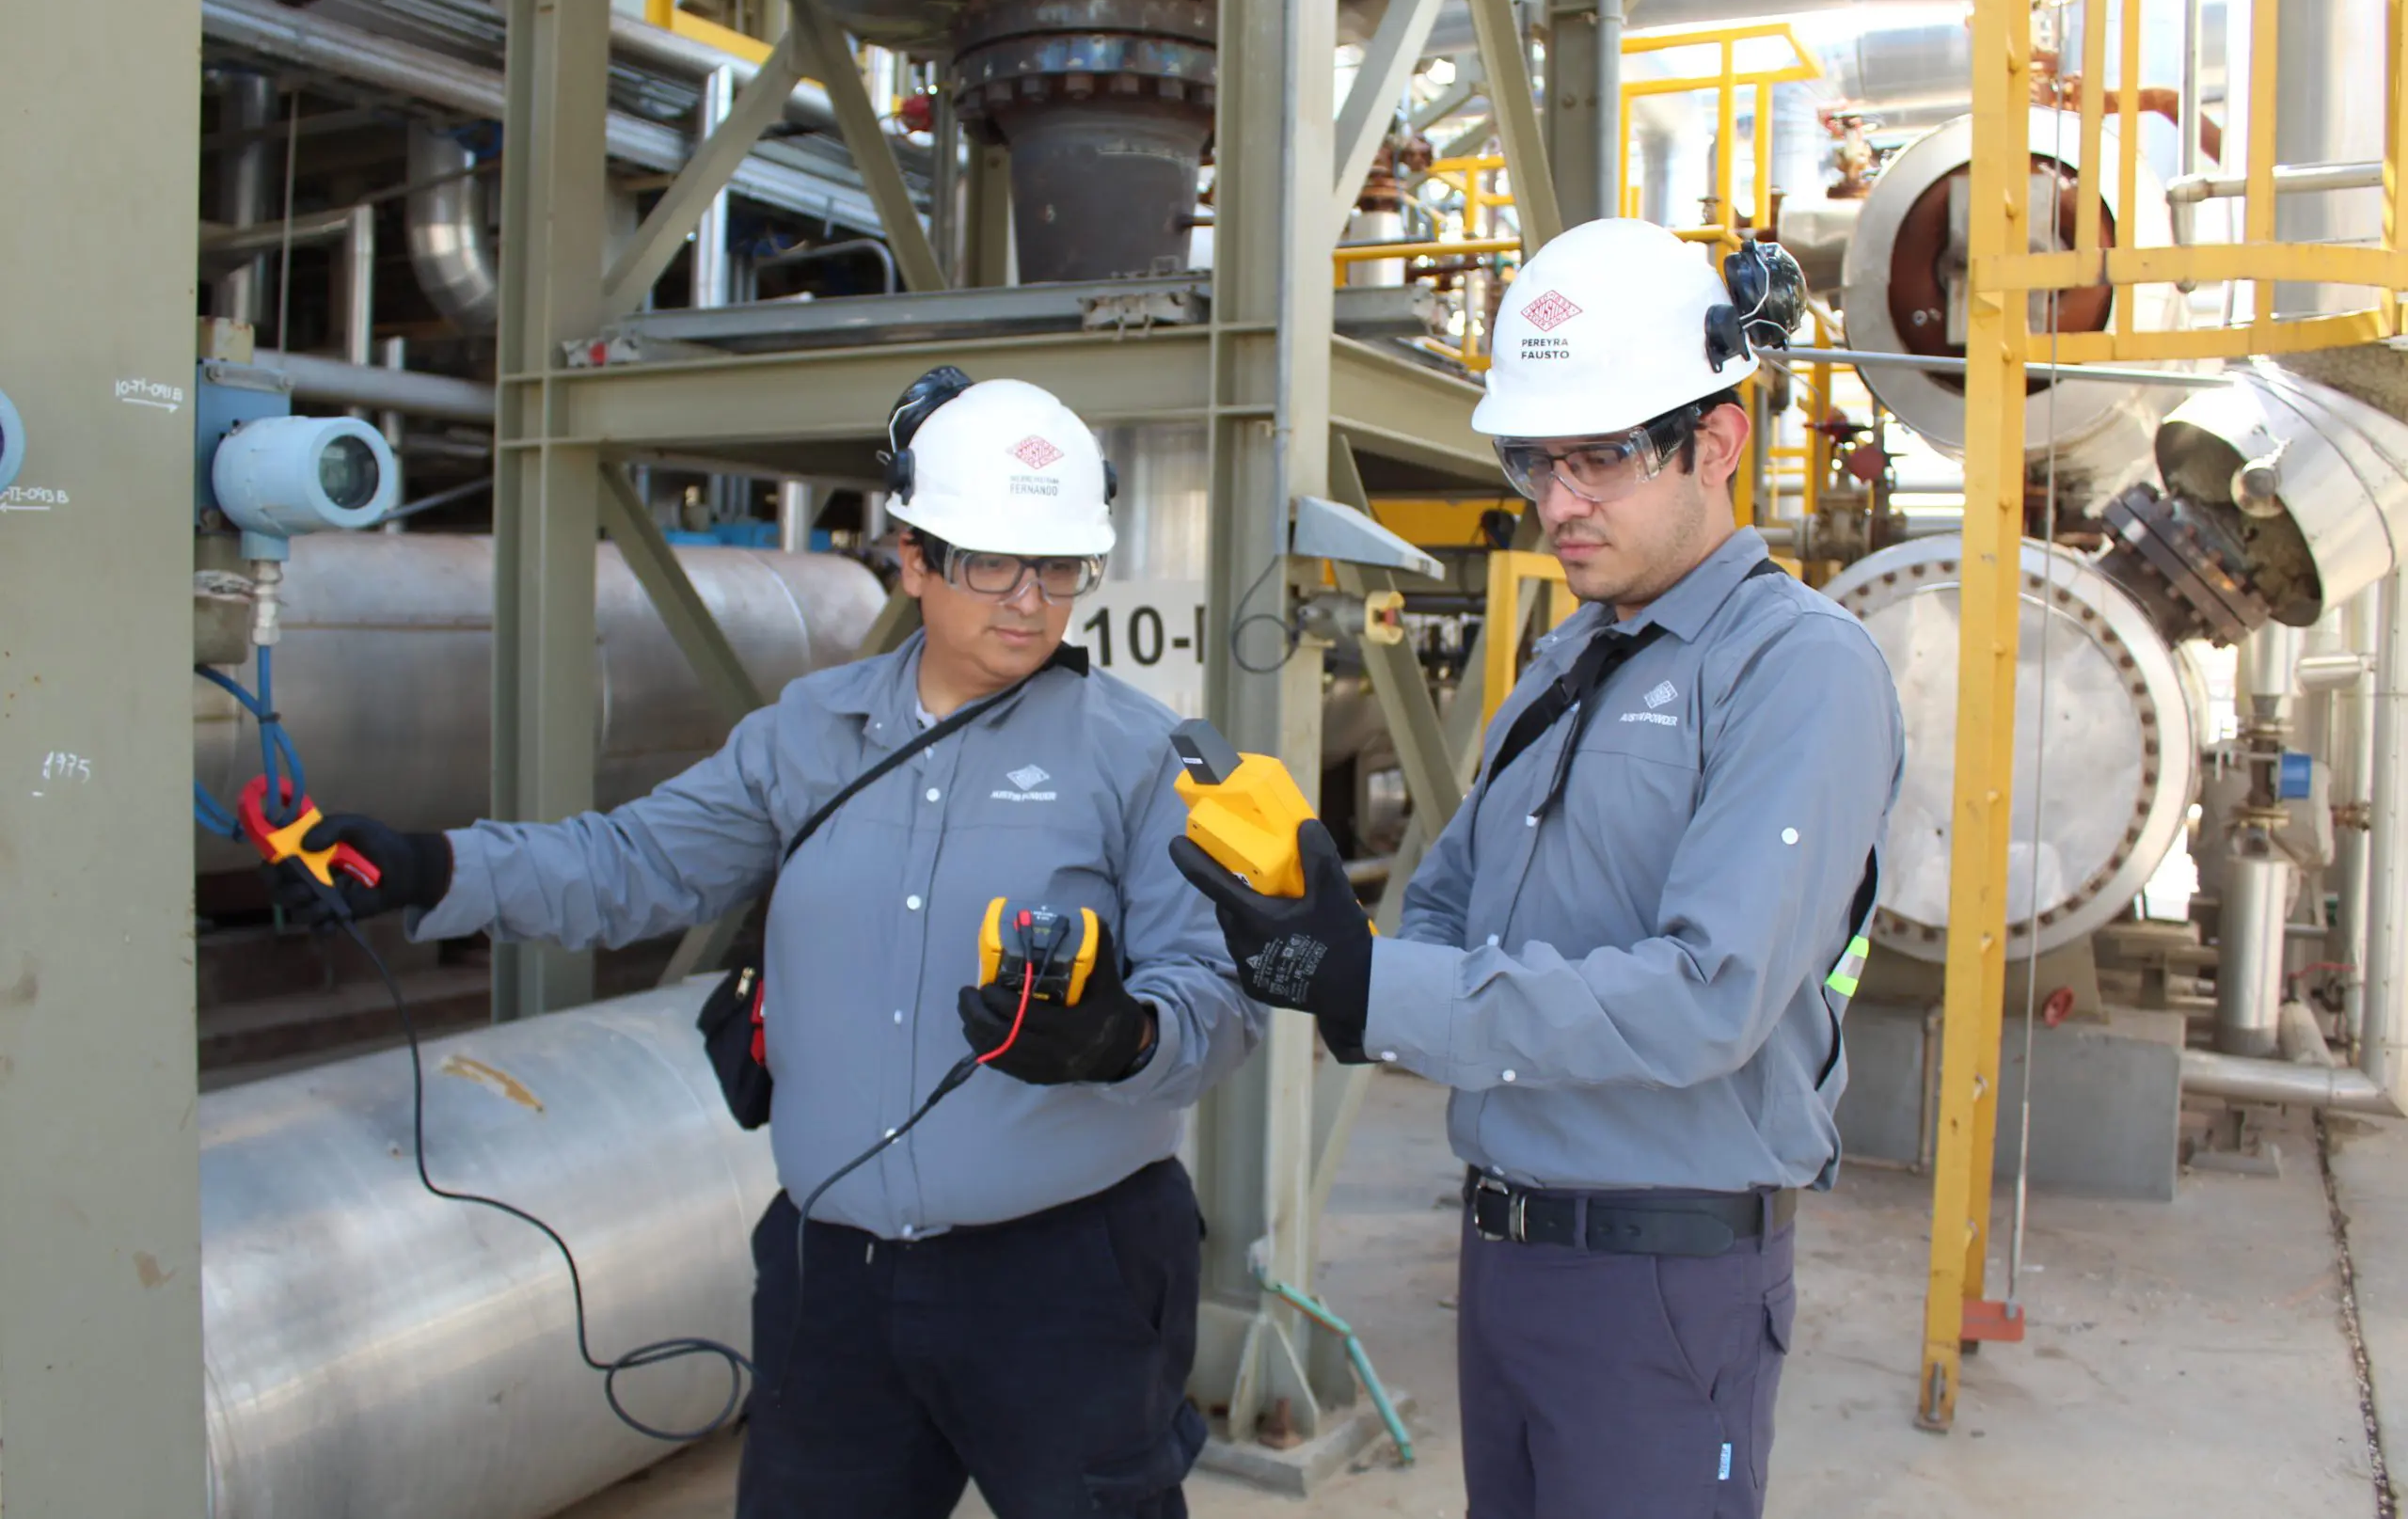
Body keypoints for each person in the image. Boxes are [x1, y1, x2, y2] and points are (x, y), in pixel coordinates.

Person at [302, 371, 1262, 1518]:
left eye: (1059, 567)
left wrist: (1122, 1037)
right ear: (912, 555)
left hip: (1066, 1283)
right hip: (834, 1277)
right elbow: (632, 864)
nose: (1030, 599)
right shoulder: (807, 735)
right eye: (993, 562)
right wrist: (434, 868)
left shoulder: (1141, 757)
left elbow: (1219, 999)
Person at [1170, 217, 1904, 1519]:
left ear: (1715, 443)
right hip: (1508, 1258)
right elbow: (1450, 909)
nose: (1555, 502)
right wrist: (1327, 935)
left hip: (1662, 1288)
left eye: (1599, 457)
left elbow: (1706, 997)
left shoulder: (1798, 668)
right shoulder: (1571, 660)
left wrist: (1376, 989)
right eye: (1533, 457)